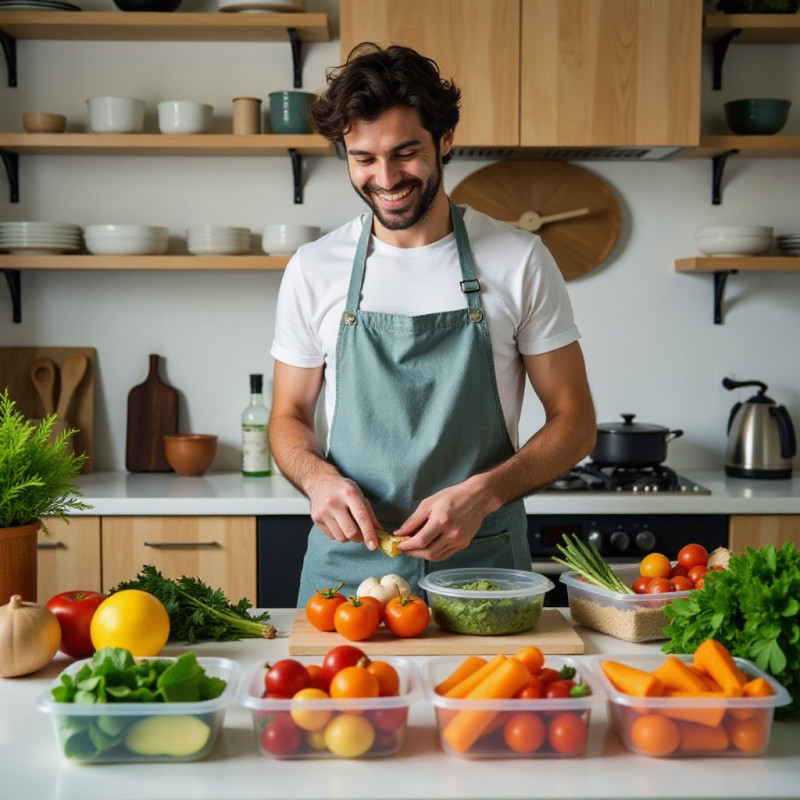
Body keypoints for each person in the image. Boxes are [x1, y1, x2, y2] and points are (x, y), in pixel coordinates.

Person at [269, 43, 596, 607]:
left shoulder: (518, 260)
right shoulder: (313, 268)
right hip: (348, 573)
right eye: (363, 158)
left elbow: (576, 422)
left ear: (445, 140)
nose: (386, 177)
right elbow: (288, 417)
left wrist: (485, 494)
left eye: (406, 152)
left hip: (482, 566)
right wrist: (317, 479)